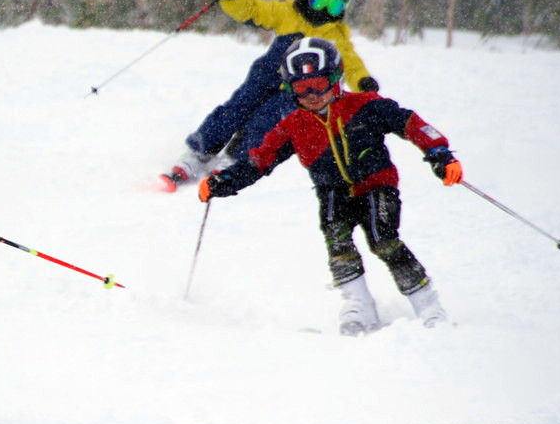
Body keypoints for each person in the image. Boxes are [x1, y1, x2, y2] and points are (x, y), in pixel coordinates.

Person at [196, 37, 461, 334]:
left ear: (336, 79)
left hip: (376, 184)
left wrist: (439, 153)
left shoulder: (365, 106)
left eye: (318, 84)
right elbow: (260, 159)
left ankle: (427, 305)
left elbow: (411, 123)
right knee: (337, 240)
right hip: (332, 190)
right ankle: (358, 304)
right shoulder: (293, 125)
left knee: (382, 239)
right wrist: (227, 180)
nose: (311, 95)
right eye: (300, 88)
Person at [161, 0, 378, 191]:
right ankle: (198, 152)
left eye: (333, 6)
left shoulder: (335, 36)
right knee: (236, 108)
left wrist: (363, 82)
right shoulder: (287, 13)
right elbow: (254, 10)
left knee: (266, 121)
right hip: (265, 76)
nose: (323, 11)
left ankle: (235, 159)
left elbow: (351, 64)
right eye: (319, 1)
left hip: (294, 91)